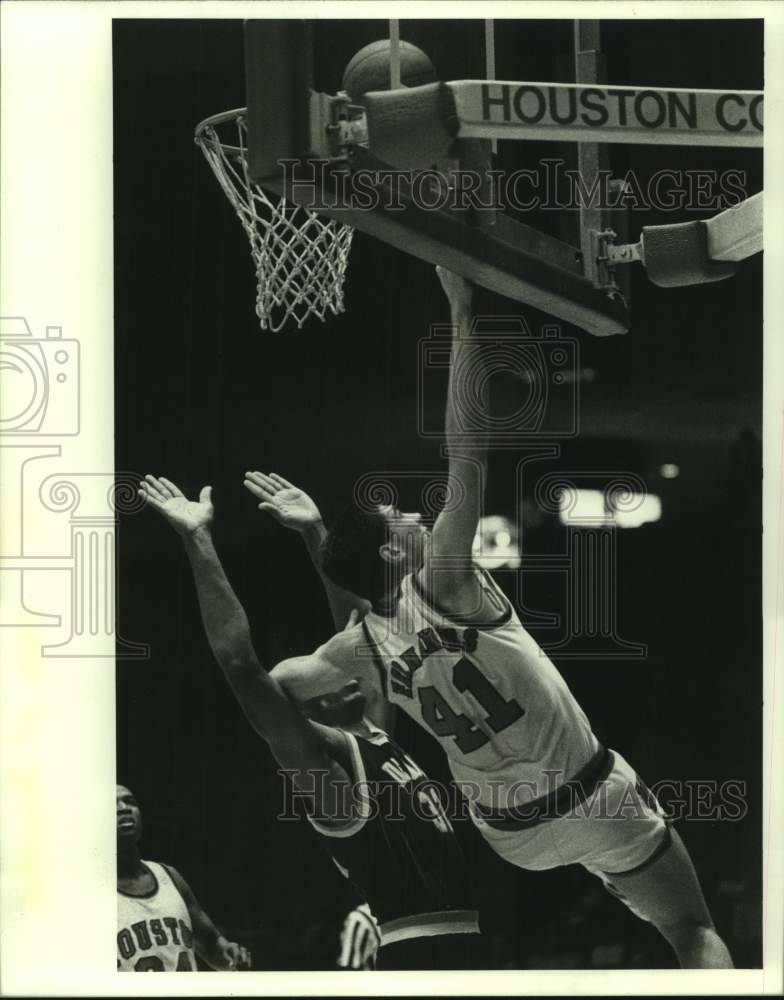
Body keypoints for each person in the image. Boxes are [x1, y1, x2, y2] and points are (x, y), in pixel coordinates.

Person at [267, 266, 734, 970]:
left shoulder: (356, 650)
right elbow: (468, 451)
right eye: (404, 515)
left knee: (612, 876)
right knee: (694, 930)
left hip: (508, 837)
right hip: (587, 796)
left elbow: (278, 679)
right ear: (396, 549)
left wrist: (317, 543)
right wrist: (461, 316)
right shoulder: (447, 580)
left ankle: (603, 869)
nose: (420, 513)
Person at [139, 474, 480, 969]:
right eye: (318, 676)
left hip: (465, 941)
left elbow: (361, 631)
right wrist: (197, 539)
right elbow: (238, 662)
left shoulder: (377, 733)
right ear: (303, 705)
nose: (336, 671)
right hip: (417, 951)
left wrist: (316, 532)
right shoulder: (327, 769)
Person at [116, 784, 250, 971]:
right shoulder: (87, 895)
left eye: (129, 801)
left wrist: (229, 952)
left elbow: (212, 946)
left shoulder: (169, 876)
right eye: (112, 806)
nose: (124, 808)